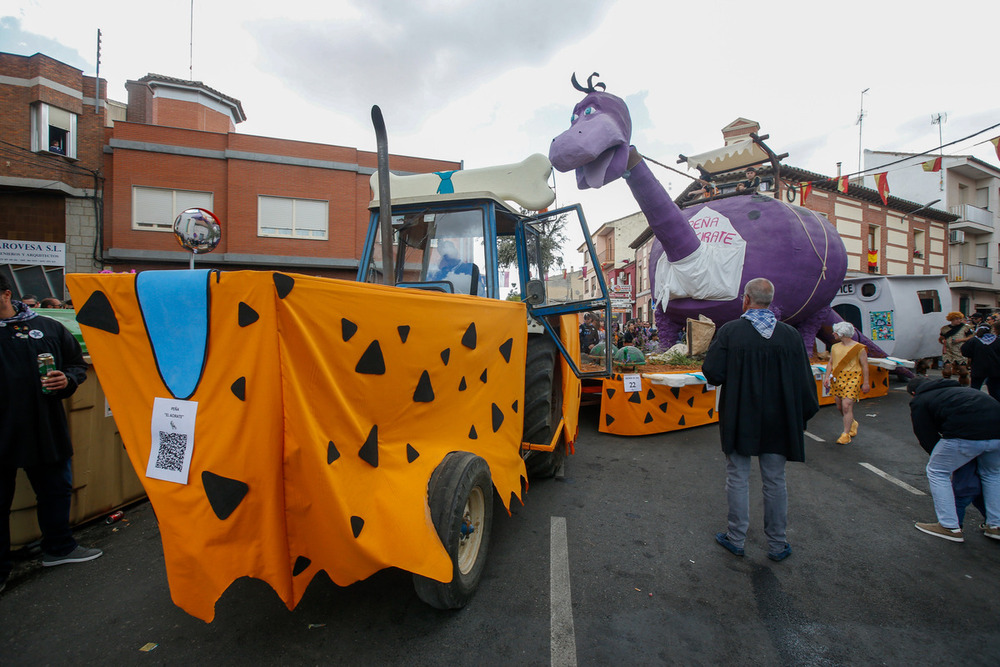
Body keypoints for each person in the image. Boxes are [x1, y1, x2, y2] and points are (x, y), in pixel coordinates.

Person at [703, 277, 820, 562]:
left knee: (738, 478)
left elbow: (713, 373)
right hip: (779, 420)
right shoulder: (790, 335)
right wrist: (801, 414)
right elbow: (805, 382)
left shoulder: (731, 332)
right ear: (771, 302)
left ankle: (736, 538)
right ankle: (778, 545)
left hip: (741, 416)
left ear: (745, 300)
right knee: (775, 481)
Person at [1, 275, 101, 594]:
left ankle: (59, 548)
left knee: (56, 489)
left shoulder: (47, 327)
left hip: (44, 426)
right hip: (2, 431)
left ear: (6, 294)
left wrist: (67, 380)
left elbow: (76, 365)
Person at [907, 376, 1000, 542]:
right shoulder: (962, 390)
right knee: (992, 474)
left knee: (937, 471)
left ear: (914, 393)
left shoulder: (920, 400)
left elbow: (925, 435)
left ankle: (949, 526)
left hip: (964, 434)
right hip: (997, 432)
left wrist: (941, 456)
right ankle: (996, 525)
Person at [822, 321, 870, 444]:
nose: (833, 334)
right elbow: (831, 363)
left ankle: (845, 434)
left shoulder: (859, 348)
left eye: (835, 332)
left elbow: (865, 366)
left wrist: (866, 382)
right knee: (839, 406)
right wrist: (827, 377)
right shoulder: (834, 347)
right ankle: (852, 422)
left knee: (846, 405)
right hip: (837, 379)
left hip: (852, 378)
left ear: (842, 333)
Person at [961, 321, 1000, 401]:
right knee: (995, 389)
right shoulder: (997, 340)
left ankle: (973, 403)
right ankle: (996, 404)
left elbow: (965, 351)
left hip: (978, 367)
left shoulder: (974, 340)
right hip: (995, 368)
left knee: (975, 387)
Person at [939, 311, 973, 386]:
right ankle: (946, 385)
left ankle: (963, 385)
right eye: (957, 319)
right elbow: (941, 338)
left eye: (960, 319)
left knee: (963, 372)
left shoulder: (965, 327)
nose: (959, 320)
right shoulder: (944, 329)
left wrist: (960, 340)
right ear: (951, 319)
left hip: (960, 351)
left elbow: (971, 337)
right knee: (947, 371)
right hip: (949, 351)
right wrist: (943, 342)